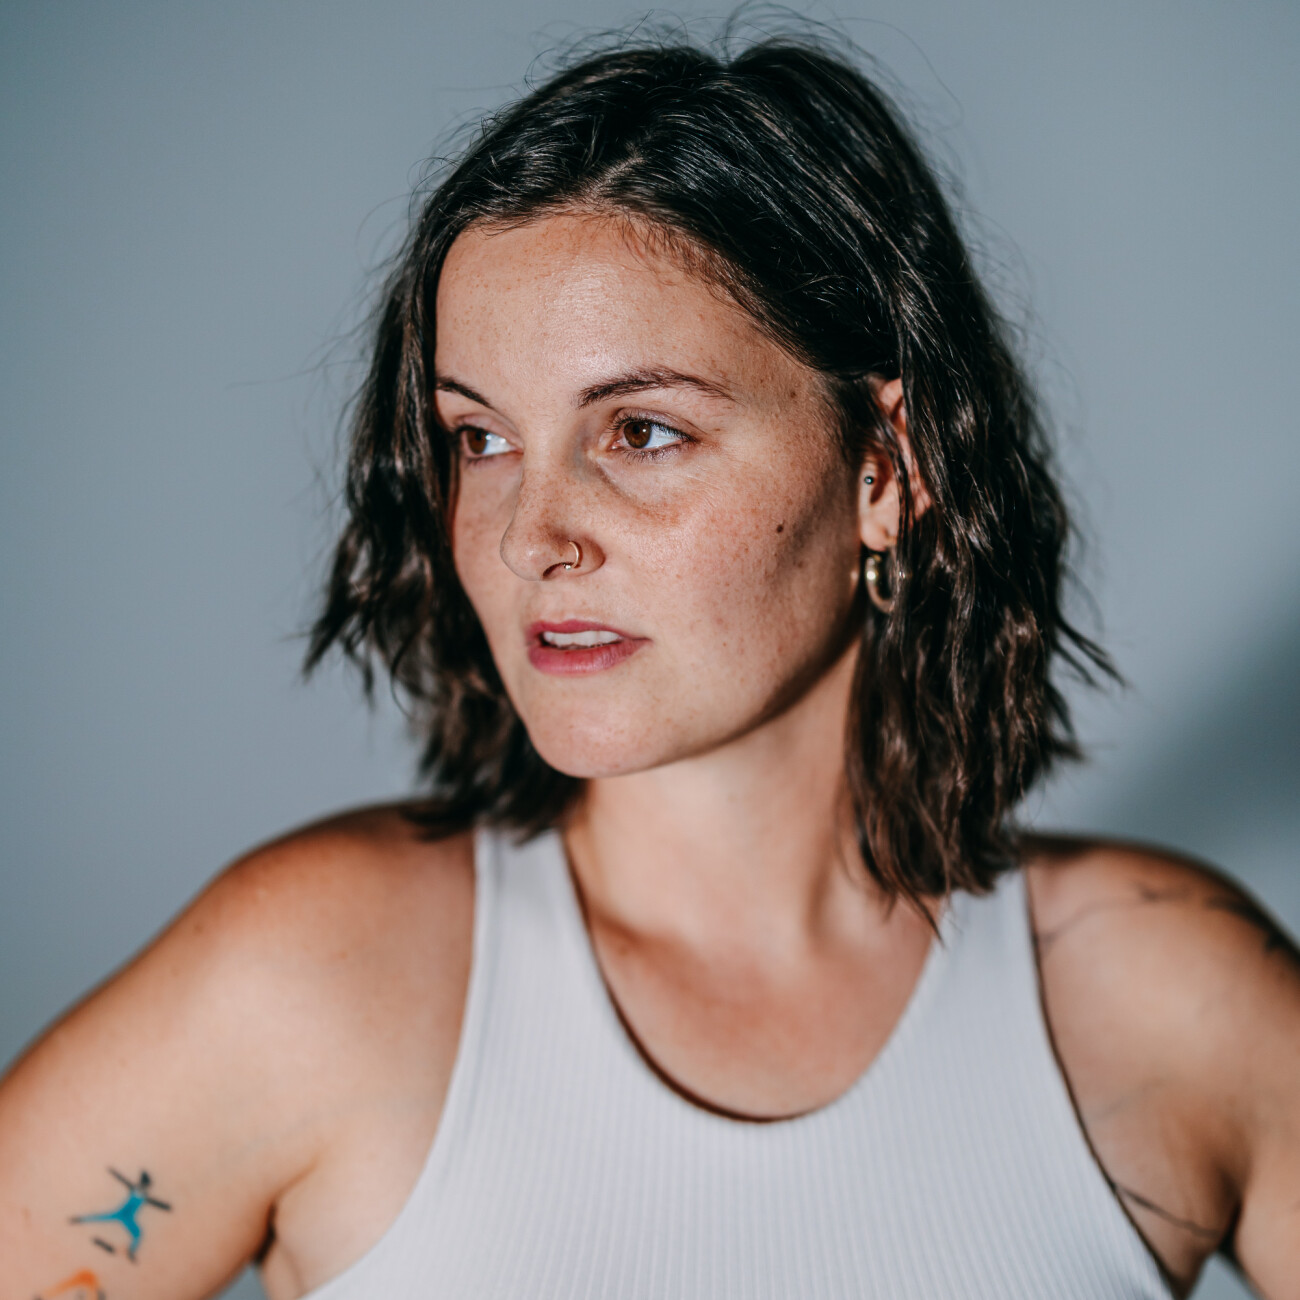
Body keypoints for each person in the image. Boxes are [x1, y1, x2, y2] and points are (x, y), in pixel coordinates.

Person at [2, 31, 1297, 1300]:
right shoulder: (319, 980)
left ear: (885, 467)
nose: (529, 537)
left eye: (642, 430)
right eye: (480, 438)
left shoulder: (1165, 998)